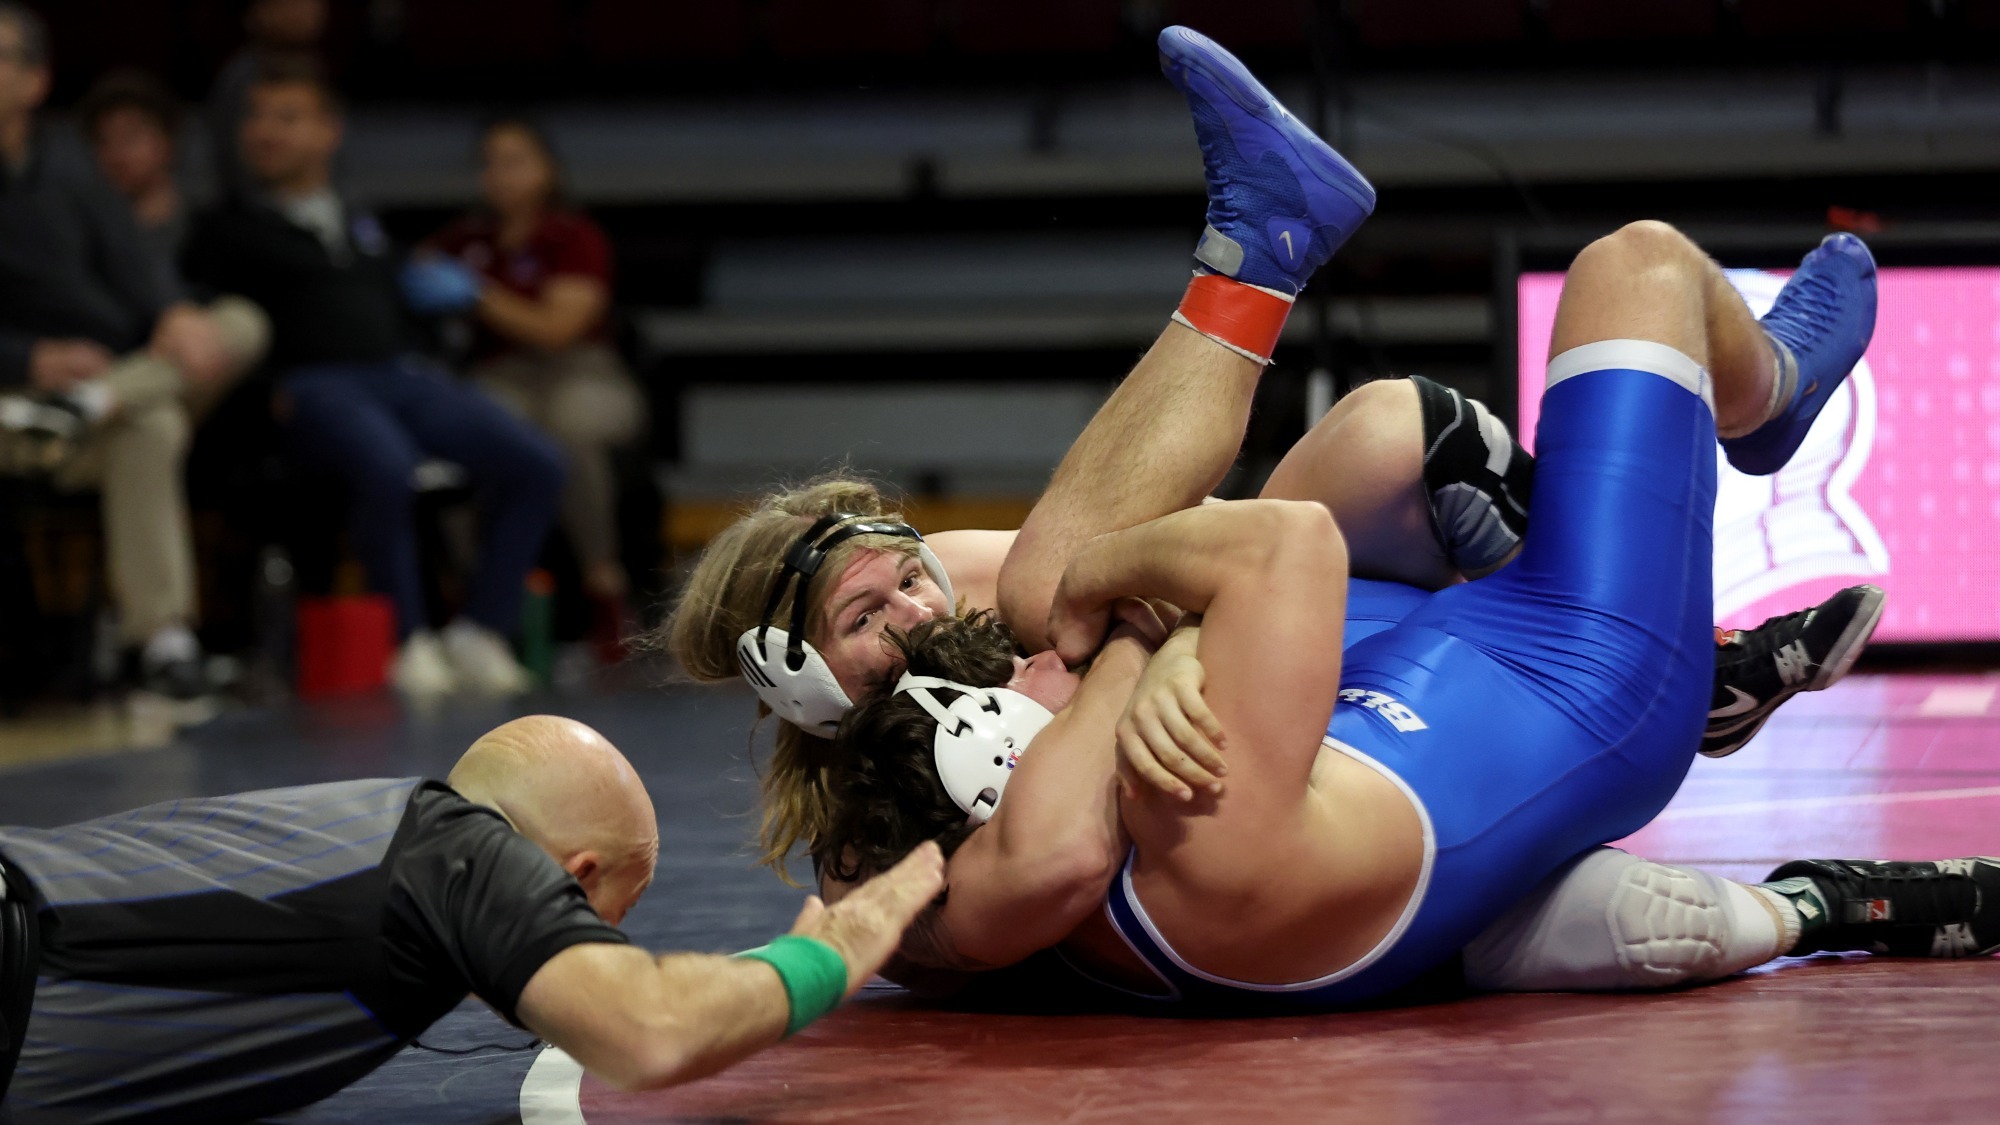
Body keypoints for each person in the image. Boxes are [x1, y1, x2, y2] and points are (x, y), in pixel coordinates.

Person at [819, 29, 1983, 1008]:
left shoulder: (1016, 897)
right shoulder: (1176, 813)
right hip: (1590, 670)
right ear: (1006, 784)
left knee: (1368, 434)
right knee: (1637, 267)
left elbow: (896, 895)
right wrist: (1121, 619)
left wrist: (1144, 642)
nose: (1024, 672)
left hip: (1401, 696)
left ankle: (1259, 242)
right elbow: (1283, 548)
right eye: (1007, 704)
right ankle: (1766, 399)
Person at [0, 714, 946, 1119]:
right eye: (624, 902)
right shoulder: (461, 855)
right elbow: (653, 1029)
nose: (611, 934)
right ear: (574, 873)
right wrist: (833, 949)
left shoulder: (361, 836)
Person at [180, 58, 567, 698]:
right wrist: (265, 396)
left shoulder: (362, 224)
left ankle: (481, 629)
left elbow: (397, 304)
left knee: (536, 462)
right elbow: (209, 325)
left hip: (399, 377)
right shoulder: (224, 229)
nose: (265, 132)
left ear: (328, 131)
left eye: (287, 117)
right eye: (255, 118)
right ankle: (406, 638)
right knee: (385, 467)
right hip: (313, 385)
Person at [0, 3, 268, 700]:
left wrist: (174, 313)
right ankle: (163, 641)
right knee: (152, 424)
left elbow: (143, 276)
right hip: (14, 408)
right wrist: (31, 359)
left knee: (237, 321)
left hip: (94, 399)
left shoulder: (72, 175)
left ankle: (97, 401)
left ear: (35, 80)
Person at [420, 117, 650, 635]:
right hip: (501, 373)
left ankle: (603, 588)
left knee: (570, 430)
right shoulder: (466, 238)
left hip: (582, 371)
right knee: (476, 436)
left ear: (548, 171)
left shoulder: (574, 237)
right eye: (490, 163)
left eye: (515, 161)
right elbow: (412, 272)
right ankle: (476, 594)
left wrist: (477, 294)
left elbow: (556, 330)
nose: (500, 175)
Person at [206, 0, 327, 203]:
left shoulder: (316, 68)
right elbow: (234, 166)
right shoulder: (241, 79)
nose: (305, 12)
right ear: (257, 13)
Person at [78, 70, 191, 276]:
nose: (117, 154)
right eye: (104, 141)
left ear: (167, 142)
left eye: (130, 137)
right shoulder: (85, 237)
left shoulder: (204, 227)